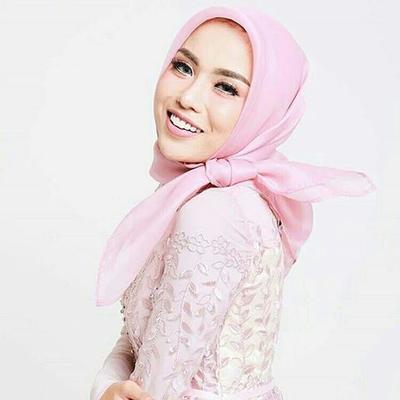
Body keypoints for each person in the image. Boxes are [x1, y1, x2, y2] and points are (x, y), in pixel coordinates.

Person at [90, 6, 376, 400]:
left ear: (264, 109)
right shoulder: (193, 197)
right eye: (183, 67)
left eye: (226, 87)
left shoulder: (212, 213)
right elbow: (137, 340)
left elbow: (155, 388)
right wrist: (106, 388)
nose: (188, 97)